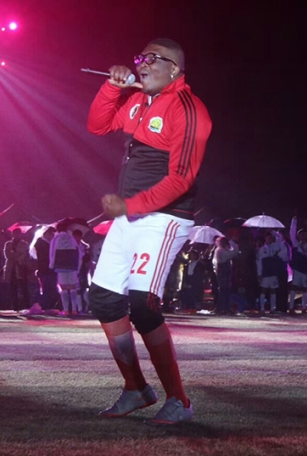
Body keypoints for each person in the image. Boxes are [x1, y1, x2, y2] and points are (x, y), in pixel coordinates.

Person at [86, 38, 211, 425]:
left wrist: (133, 206)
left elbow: (182, 178)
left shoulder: (189, 108)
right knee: (104, 299)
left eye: (151, 59)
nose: (141, 64)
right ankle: (136, 389)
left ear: (174, 68)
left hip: (164, 218)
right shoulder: (139, 100)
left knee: (143, 306)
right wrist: (112, 87)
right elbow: (98, 124)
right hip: (130, 216)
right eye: (140, 57)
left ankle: (179, 401)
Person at [49, 221, 82, 315]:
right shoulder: (71, 239)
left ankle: (66, 309)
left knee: (63, 288)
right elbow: (78, 254)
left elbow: (52, 253)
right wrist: (78, 267)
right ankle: (74, 309)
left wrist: (52, 265)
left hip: (60, 266)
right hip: (72, 266)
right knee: (73, 287)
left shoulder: (56, 239)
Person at [257, 231, 289, 314]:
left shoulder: (275, 247)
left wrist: (273, 231)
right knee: (263, 290)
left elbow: (280, 239)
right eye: (268, 238)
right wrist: (259, 273)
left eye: (271, 238)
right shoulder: (262, 249)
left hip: (273, 272)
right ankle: (262, 308)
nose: (269, 239)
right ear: (265, 238)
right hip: (265, 272)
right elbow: (259, 262)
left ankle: (272, 308)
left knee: (273, 290)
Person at [4, 228, 32, 312]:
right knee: (13, 288)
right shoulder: (8, 244)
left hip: (21, 268)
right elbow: (8, 255)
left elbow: (25, 255)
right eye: (15, 233)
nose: (17, 235)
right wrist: (17, 255)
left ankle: (27, 306)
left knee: (24, 288)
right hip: (11, 268)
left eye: (18, 233)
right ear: (12, 234)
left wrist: (18, 257)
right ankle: (15, 306)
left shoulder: (25, 244)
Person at [212, 236, 240, 315]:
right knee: (223, 289)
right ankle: (223, 307)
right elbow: (234, 252)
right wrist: (231, 242)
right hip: (223, 270)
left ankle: (224, 307)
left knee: (226, 289)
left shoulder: (222, 250)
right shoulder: (220, 250)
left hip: (224, 270)